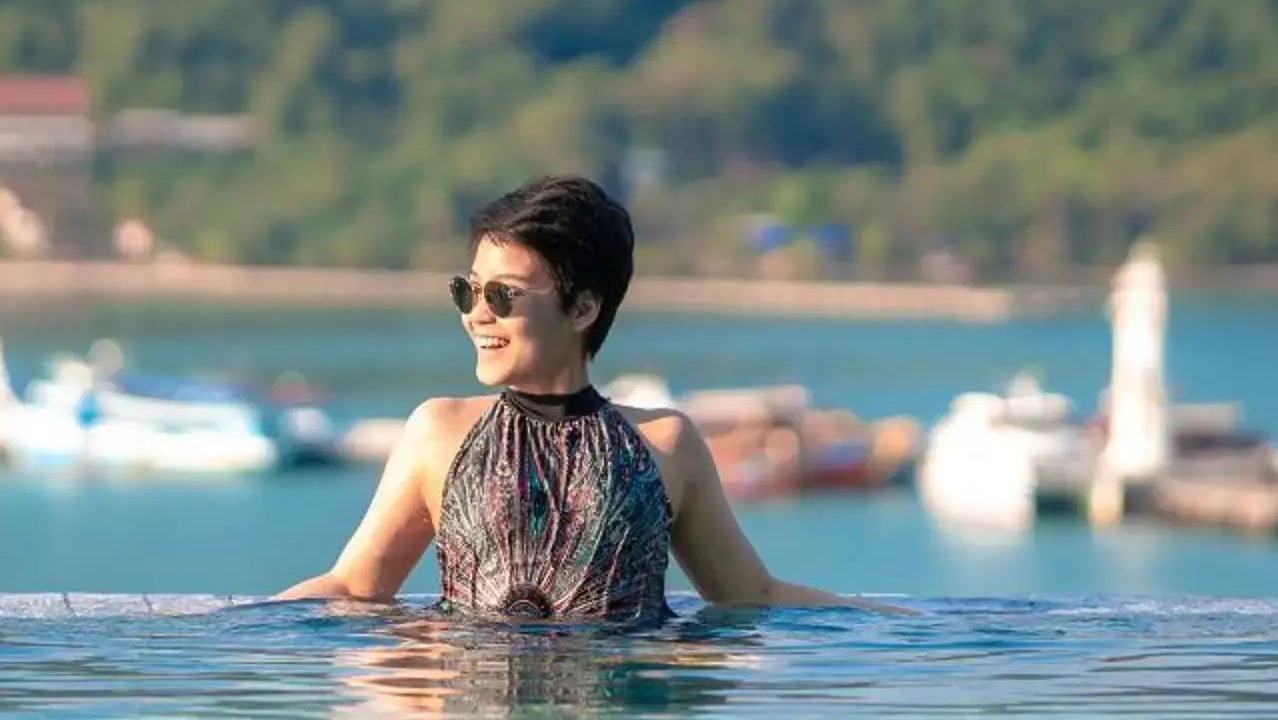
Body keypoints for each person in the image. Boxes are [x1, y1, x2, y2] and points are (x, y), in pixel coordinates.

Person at [279, 174, 853, 621]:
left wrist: (911, 622)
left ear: (582, 308)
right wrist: (221, 628)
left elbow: (749, 595)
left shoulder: (666, 445)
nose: (477, 314)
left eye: (503, 295)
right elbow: (355, 587)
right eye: (468, 291)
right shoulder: (439, 432)